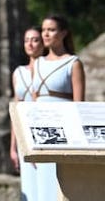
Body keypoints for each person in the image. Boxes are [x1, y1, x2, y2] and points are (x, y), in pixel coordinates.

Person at [31, 14, 85, 201]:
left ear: (63, 33)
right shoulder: (37, 64)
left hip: (65, 132)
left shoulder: (73, 63)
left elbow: (79, 105)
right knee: (42, 187)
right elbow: (33, 104)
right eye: (44, 30)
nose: (46, 34)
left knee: (61, 187)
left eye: (51, 30)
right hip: (41, 133)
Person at [10, 26, 44, 201]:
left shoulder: (48, 71)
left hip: (44, 134)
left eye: (35, 39)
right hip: (25, 137)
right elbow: (16, 110)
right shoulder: (18, 72)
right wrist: (13, 147)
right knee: (29, 188)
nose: (30, 44)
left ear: (43, 43)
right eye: (26, 40)